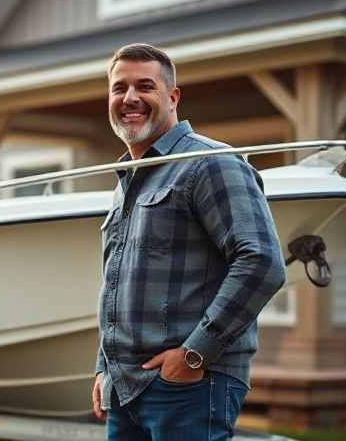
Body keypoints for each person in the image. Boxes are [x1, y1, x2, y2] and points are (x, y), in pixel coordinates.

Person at [91, 43, 285, 440]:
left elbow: (261, 262)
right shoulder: (129, 178)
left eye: (145, 86)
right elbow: (116, 284)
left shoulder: (210, 163)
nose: (129, 98)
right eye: (119, 88)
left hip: (188, 387)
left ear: (173, 96)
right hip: (126, 387)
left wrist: (195, 354)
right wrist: (104, 366)